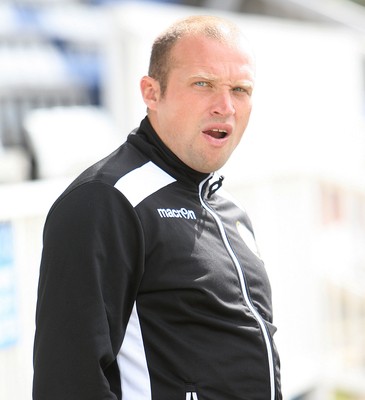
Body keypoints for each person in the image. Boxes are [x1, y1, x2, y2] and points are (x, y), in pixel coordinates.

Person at [33, 15, 282, 400]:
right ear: (151, 92)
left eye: (240, 89)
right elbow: (66, 381)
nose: (225, 106)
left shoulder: (231, 211)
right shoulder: (105, 201)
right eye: (204, 84)